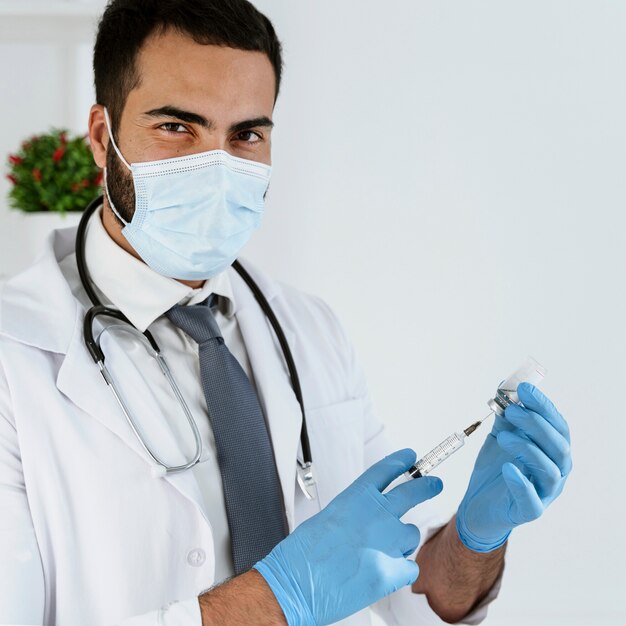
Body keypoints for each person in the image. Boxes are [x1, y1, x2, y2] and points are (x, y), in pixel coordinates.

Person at [0, 1, 572, 625]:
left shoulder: (309, 329)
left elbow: (404, 591)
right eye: (177, 127)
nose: (216, 166)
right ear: (102, 135)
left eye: (246, 134)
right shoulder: (15, 356)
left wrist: (474, 540)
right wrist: (278, 598)